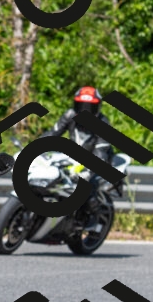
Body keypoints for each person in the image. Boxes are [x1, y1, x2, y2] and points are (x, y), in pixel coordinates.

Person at [40, 86, 114, 222]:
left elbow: (101, 151)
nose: (85, 112)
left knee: (87, 189)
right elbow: (52, 133)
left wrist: (89, 171)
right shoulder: (69, 115)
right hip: (74, 157)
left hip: (99, 161)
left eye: (89, 108)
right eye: (81, 106)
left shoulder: (103, 123)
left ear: (98, 108)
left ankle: (91, 219)